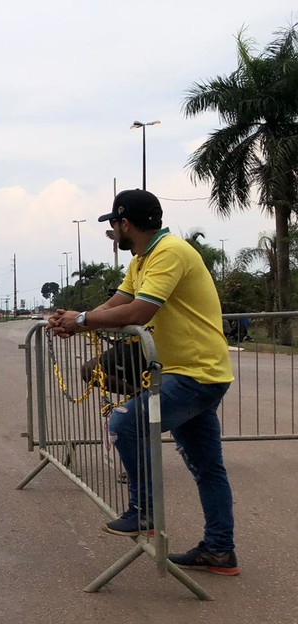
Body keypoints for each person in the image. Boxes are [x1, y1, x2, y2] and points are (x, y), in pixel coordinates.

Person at [49, 189, 238, 575]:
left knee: (125, 425)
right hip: (187, 371)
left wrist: (81, 320)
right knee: (207, 469)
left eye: (113, 225)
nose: (112, 233)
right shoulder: (142, 260)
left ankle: (145, 511)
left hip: (196, 374)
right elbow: (118, 302)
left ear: (125, 223)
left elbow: (140, 310)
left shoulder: (169, 252)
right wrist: (76, 319)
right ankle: (220, 551)